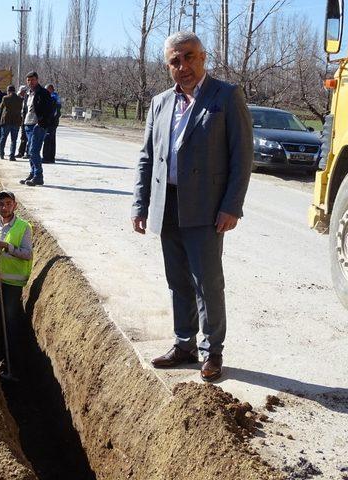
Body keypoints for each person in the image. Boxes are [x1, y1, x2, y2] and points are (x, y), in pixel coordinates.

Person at [131, 31, 253, 381]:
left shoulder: (226, 96)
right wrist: (140, 204)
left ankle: (211, 351)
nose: (182, 66)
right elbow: (147, 157)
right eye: (174, 61)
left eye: (188, 57)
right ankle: (183, 343)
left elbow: (242, 157)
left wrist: (232, 206)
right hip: (166, 205)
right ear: (168, 65)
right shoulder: (160, 102)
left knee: (207, 282)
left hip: (206, 208)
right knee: (177, 280)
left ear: (203, 57)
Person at [0, 191, 33, 375]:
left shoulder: (23, 227)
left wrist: (7, 247)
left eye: (9, 203)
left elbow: (27, 254)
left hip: (12, 283)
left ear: (15, 205)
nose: (5, 207)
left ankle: (15, 365)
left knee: (10, 322)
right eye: (2, 204)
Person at [19, 71, 52, 187]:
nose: (30, 82)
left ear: (37, 80)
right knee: (30, 151)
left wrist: (41, 123)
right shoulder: (28, 93)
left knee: (34, 151)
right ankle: (32, 174)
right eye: (28, 80)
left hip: (38, 126)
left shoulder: (43, 93)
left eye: (32, 80)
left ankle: (38, 176)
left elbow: (49, 110)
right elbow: (25, 110)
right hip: (28, 124)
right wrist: (23, 124)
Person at [0, 85, 23, 161]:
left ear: (8, 91)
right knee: (14, 140)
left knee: (3, 138)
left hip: (6, 121)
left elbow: (1, 107)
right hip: (16, 121)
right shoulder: (20, 99)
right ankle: (12, 156)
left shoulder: (5, 98)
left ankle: (1, 154)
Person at [42, 84, 61, 163]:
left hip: (50, 121)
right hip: (54, 121)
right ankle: (51, 157)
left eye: (46, 90)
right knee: (52, 140)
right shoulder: (57, 97)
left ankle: (46, 157)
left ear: (50, 89)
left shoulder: (52, 98)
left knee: (47, 139)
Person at [17, 86, 29, 159]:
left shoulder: (29, 98)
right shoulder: (23, 99)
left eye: (21, 93)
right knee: (23, 137)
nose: (20, 95)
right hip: (23, 120)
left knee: (28, 138)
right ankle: (21, 152)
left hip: (28, 120)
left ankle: (28, 153)